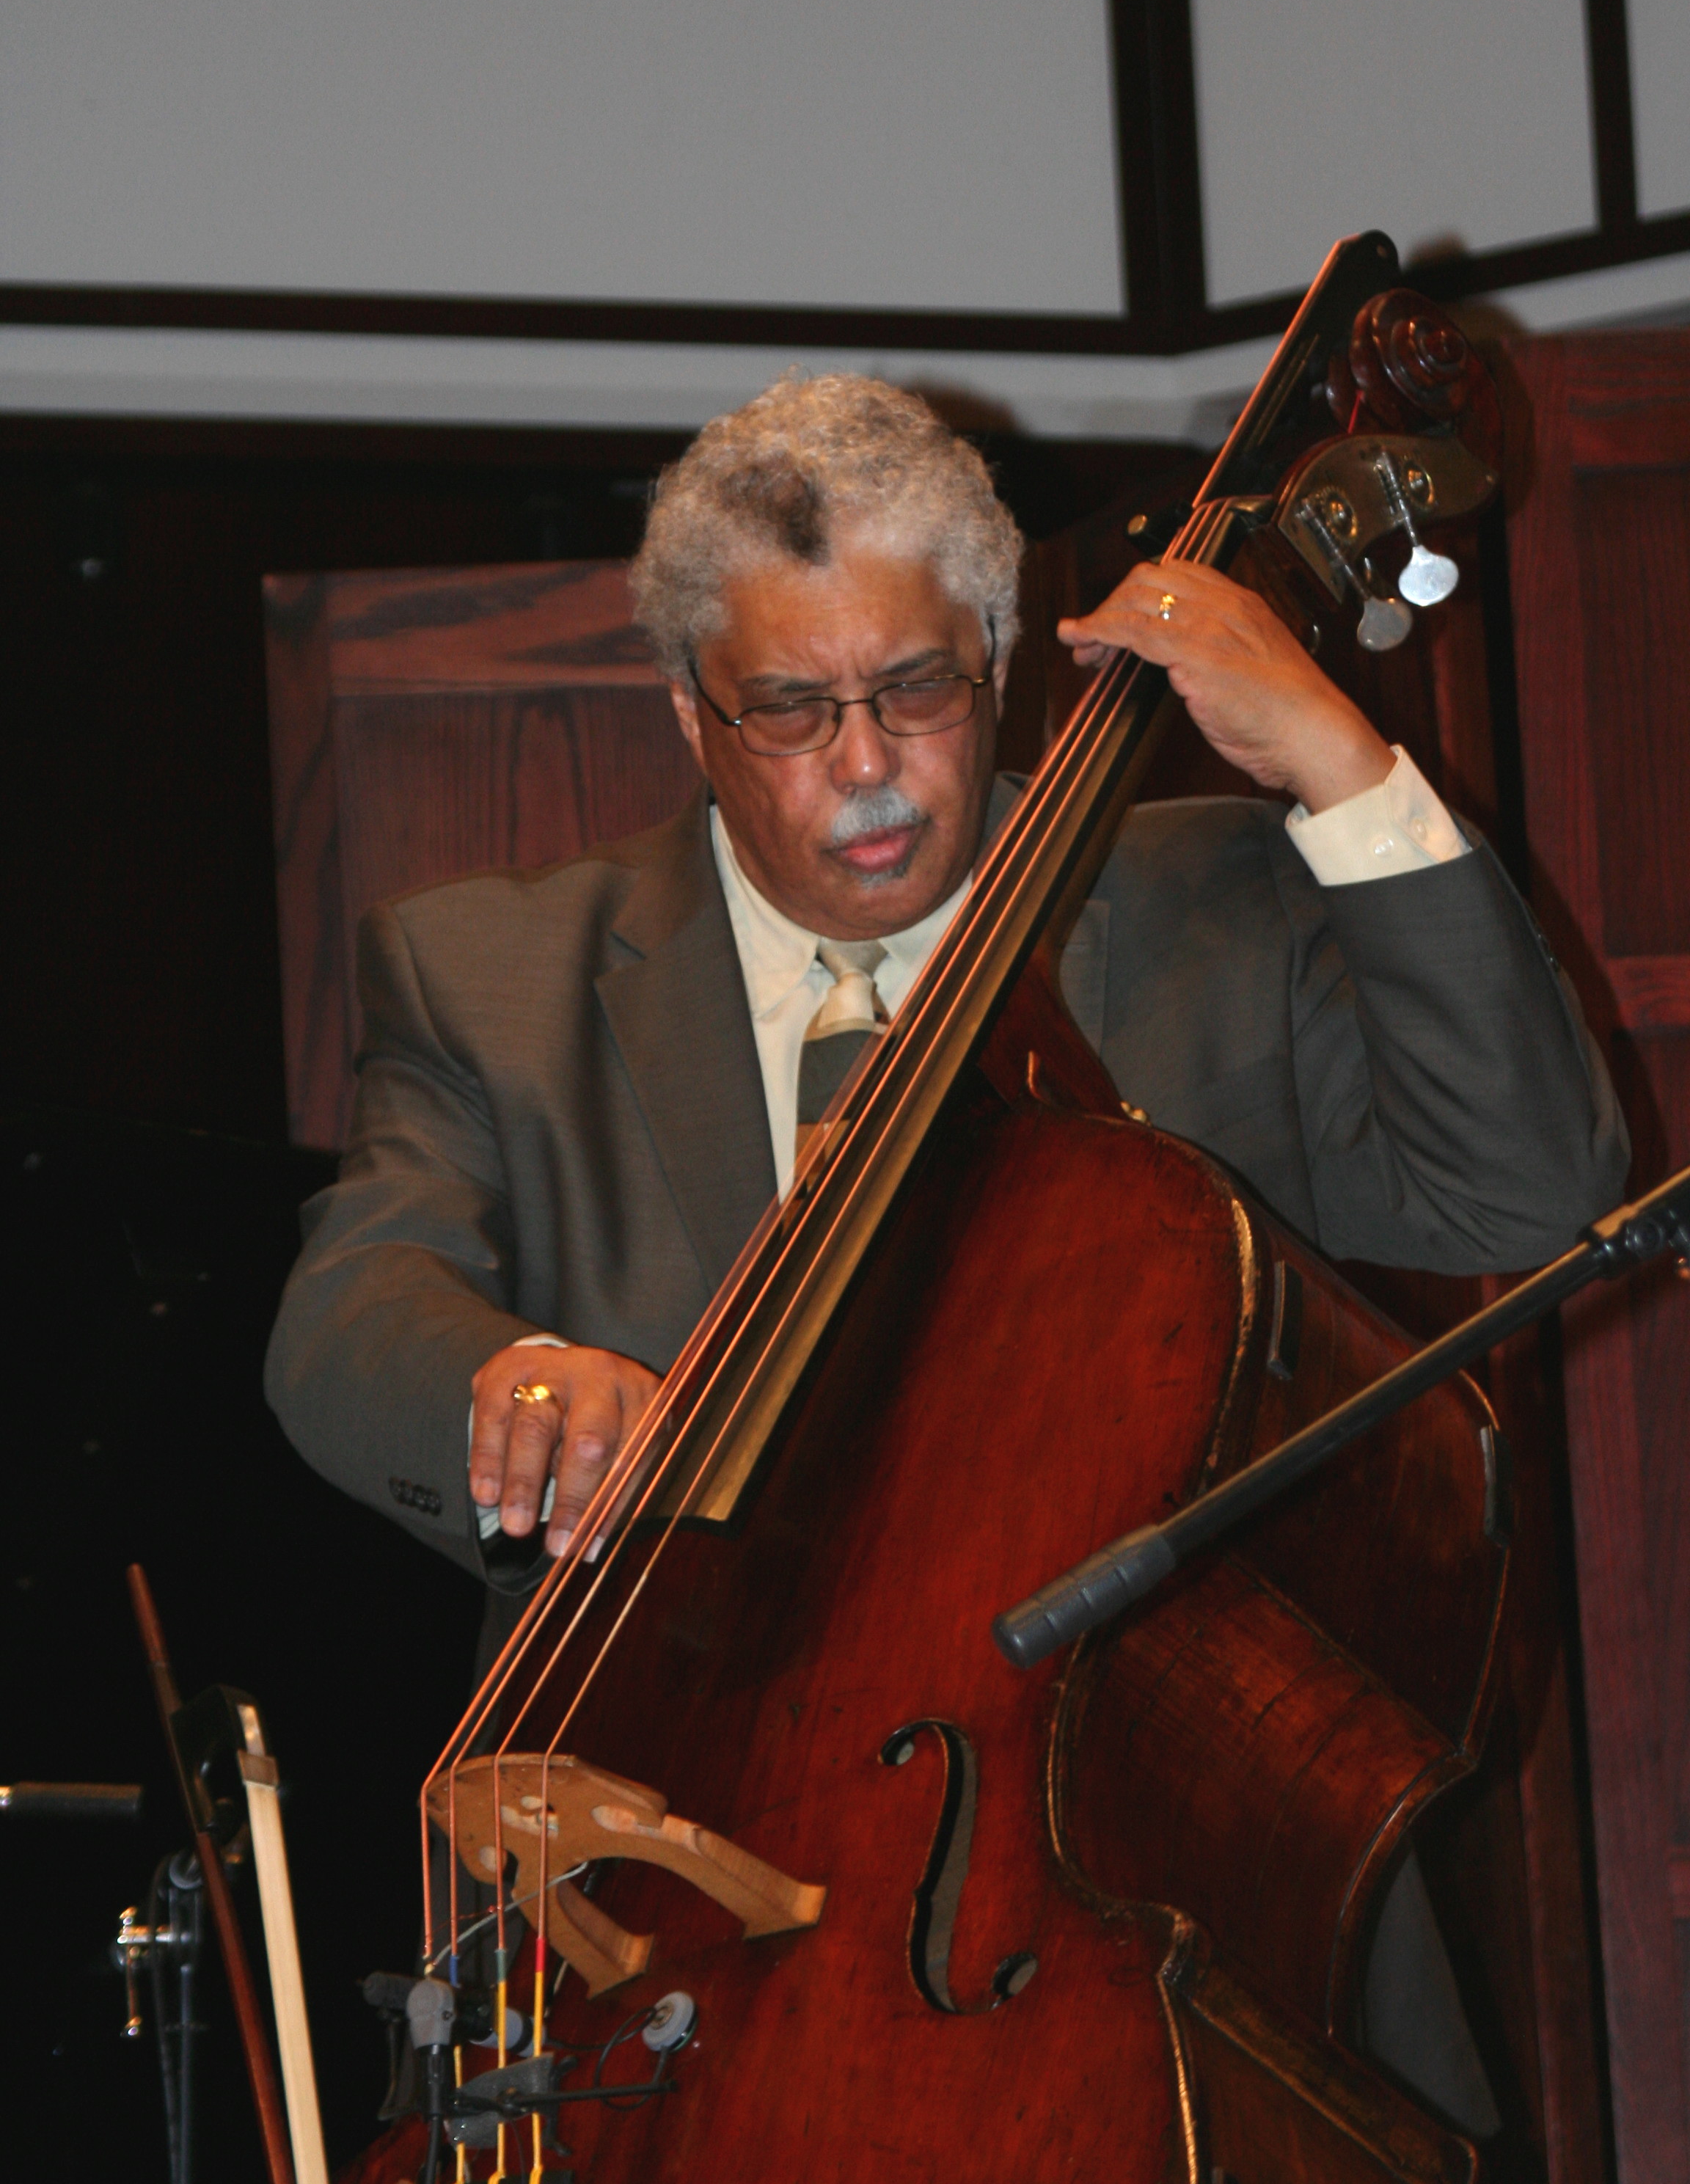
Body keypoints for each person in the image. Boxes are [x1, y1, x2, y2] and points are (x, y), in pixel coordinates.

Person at [266, 371, 1625, 2135]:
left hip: (1172, 1953)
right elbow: (344, 1313)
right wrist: (507, 1378)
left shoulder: (1224, 910)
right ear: (689, 716)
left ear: (999, 660)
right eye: (787, 709)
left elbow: (1529, 1194)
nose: (864, 763)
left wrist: (1344, 770)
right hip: (674, 1993)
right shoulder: (495, 979)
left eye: (917, 689)